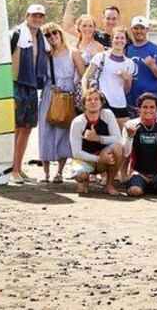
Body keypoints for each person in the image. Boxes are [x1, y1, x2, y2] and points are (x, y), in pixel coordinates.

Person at [81, 26, 134, 180]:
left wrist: (125, 77)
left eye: (122, 38)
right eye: (116, 38)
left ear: (126, 42)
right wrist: (86, 94)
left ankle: (120, 173)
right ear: (112, 40)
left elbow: (127, 89)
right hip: (103, 102)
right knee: (101, 139)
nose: (119, 41)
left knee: (124, 139)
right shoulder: (100, 57)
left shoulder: (129, 63)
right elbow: (86, 76)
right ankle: (102, 174)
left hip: (120, 104)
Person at [37, 22, 85, 183]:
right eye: (47, 35)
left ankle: (59, 172)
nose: (52, 36)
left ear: (60, 32)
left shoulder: (73, 52)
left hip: (67, 94)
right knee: (45, 132)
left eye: (54, 32)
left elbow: (84, 75)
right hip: (50, 92)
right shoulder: (45, 55)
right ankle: (45, 173)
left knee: (63, 132)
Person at [9, 3, 50, 184]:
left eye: (40, 16)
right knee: (16, 128)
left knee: (27, 128)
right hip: (16, 84)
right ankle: (12, 169)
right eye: (34, 15)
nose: (37, 19)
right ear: (27, 16)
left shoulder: (42, 38)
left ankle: (18, 166)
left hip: (33, 86)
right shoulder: (16, 34)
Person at [122, 93, 157, 197]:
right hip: (137, 172)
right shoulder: (130, 125)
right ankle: (143, 185)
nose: (148, 110)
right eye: (145, 107)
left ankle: (150, 186)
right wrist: (130, 136)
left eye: (152, 107)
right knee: (135, 192)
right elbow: (126, 153)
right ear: (139, 108)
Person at [69, 87, 124, 195]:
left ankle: (109, 185)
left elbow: (117, 138)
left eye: (96, 99)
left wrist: (98, 138)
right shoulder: (78, 122)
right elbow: (76, 153)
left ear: (101, 103)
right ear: (84, 104)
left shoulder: (108, 114)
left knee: (118, 148)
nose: (93, 102)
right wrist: (98, 159)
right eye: (89, 100)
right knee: (81, 178)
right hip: (85, 159)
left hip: (104, 157)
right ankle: (85, 180)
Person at [125, 16, 157, 118]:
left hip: (150, 103)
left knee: (151, 132)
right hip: (130, 102)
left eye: (142, 28)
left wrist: (153, 66)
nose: (139, 31)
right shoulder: (126, 50)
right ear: (131, 30)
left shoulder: (156, 50)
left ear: (147, 29)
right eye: (136, 28)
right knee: (131, 132)